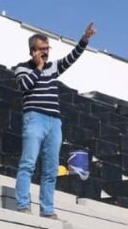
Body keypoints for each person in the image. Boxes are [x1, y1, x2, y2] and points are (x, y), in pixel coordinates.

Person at [12, 22, 96, 218]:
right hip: (35, 118)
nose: (46, 53)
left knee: (50, 168)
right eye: (42, 50)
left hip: (54, 122)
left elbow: (71, 59)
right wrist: (39, 68)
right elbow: (25, 85)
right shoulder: (22, 69)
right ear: (33, 51)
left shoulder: (53, 67)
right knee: (28, 163)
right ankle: (23, 204)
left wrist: (84, 40)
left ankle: (47, 209)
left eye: (47, 49)